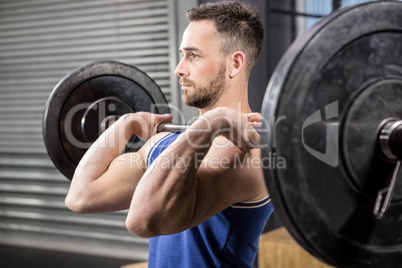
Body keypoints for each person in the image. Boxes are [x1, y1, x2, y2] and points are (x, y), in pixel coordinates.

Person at [65, 1, 274, 267]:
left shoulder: (250, 153)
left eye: (193, 55)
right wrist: (126, 124)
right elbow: (81, 196)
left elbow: (143, 221)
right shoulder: (169, 141)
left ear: (234, 64)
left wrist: (209, 125)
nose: (179, 68)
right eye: (181, 54)